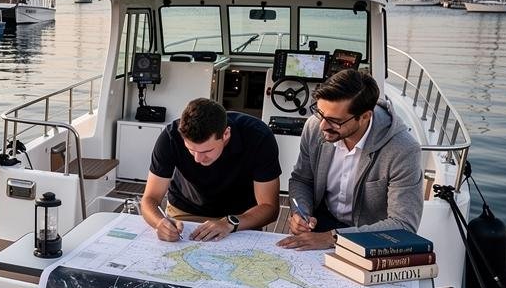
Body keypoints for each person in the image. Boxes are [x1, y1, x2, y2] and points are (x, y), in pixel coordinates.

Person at [277, 69, 423, 251]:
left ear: (365, 117)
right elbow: (302, 179)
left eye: (335, 121)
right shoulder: (314, 126)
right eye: (320, 113)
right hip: (321, 222)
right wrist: (301, 212)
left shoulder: (403, 150)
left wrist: (332, 238)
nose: (322, 126)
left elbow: (404, 224)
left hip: (372, 236)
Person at [141, 98, 281, 241]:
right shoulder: (171, 136)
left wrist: (229, 223)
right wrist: (159, 223)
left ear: (226, 134)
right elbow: (150, 198)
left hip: (239, 218)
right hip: (183, 214)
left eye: (206, 151)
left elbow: (269, 208)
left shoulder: (259, 137)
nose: (198, 159)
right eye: (191, 150)